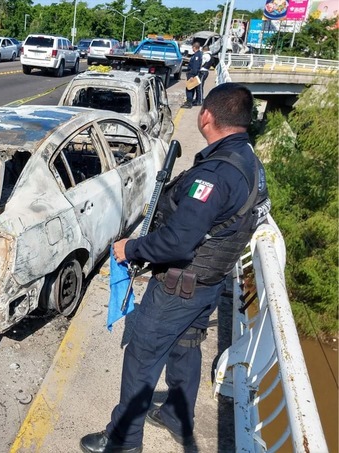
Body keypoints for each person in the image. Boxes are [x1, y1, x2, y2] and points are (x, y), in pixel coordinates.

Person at [79, 83, 270, 453]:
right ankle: (176, 417)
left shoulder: (215, 175)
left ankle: (123, 440)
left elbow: (178, 241)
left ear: (206, 116)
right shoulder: (247, 158)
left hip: (179, 286)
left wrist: (130, 248)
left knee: (141, 358)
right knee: (186, 346)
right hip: (209, 282)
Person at [182, 42, 202, 108]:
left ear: (194, 47)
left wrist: (192, 76)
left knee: (189, 88)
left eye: (192, 47)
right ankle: (189, 102)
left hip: (192, 74)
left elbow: (195, 67)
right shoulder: (197, 54)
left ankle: (189, 103)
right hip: (192, 74)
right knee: (191, 88)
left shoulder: (197, 55)